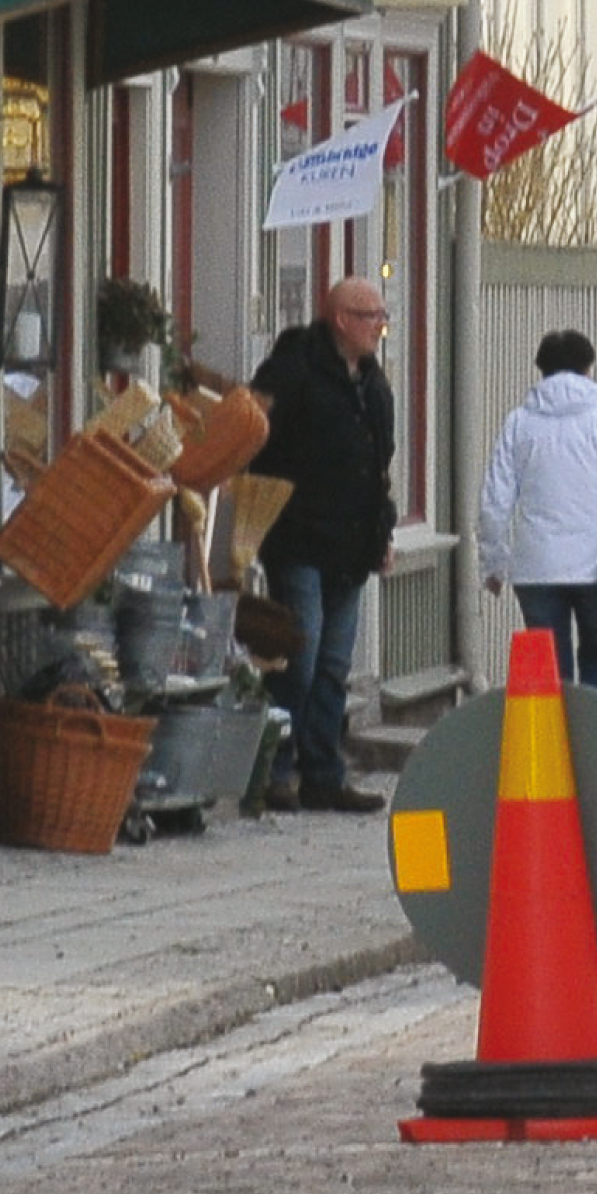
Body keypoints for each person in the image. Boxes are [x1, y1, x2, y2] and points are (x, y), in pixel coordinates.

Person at [248, 275, 397, 812]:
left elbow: (379, 468)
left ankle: (322, 772)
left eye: (383, 317)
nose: (380, 326)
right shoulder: (295, 371)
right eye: (371, 316)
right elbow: (253, 438)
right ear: (341, 319)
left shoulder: (373, 385)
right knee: (299, 657)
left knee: (334, 665)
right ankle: (276, 768)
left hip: (353, 545)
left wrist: (383, 532)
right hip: (299, 539)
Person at [476, 326, 597, 689]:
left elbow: (495, 501)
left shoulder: (519, 423)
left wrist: (494, 562)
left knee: (550, 673)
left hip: (537, 568)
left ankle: (555, 741)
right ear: (589, 368)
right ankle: (592, 742)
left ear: (540, 370)